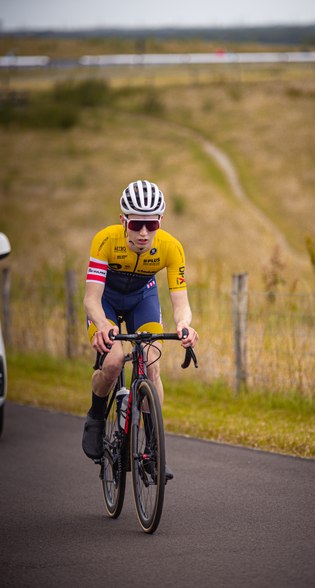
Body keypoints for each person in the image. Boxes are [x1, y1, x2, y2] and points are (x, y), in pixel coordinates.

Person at [82, 180, 198, 479]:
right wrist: (104, 326)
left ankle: (153, 452)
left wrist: (184, 324)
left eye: (151, 224)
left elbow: (180, 302)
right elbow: (91, 299)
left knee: (152, 365)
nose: (144, 232)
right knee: (114, 361)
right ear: (124, 221)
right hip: (105, 301)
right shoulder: (105, 241)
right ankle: (96, 416)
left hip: (141, 300)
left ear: (160, 221)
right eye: (136, 224)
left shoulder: (170, 247)